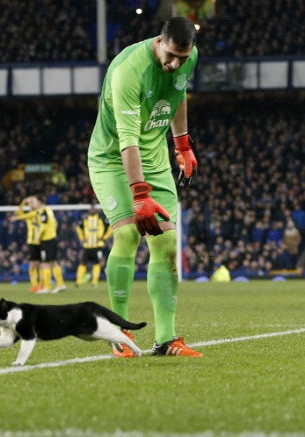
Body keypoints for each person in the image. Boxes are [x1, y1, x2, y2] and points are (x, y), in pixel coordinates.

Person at [87, 16, 202, 358]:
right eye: (171, 55)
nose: (176, 63)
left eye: (183, 57)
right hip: (112, 158)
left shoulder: (187, 58)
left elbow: (178, 94)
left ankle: (166, 340)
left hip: (154, 157)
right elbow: (127, 139)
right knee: (127, 234)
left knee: (166, 241)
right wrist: (140, 194)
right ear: (159, 42)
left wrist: (182, 145)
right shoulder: (128, 70)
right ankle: (117, 333)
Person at [10, 196, 43, 292]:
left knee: (42, 264)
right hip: (32, 242)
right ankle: (34, 285)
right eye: (30, 202)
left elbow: (19, 216)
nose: (31, 203)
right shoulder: (29, 214)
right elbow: (18, 213)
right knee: (32, 264)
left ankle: (42, 285)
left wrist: (17, 217)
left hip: (41, 241)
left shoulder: (40, 212)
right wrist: (23, 203)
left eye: (33, 202)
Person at [75, 206, 113, 287]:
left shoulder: (101, 219)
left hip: (98, 246)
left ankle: (94, 282)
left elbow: (110, 227)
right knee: (83, 263)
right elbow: (78, 228)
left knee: (96, 263)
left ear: (96, 210)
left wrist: (105, 237)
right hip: (87, 246)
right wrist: (81, 238)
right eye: (90, 209)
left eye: (93, 209)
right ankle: (78, 282)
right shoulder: (85, 219)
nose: (92, 210)